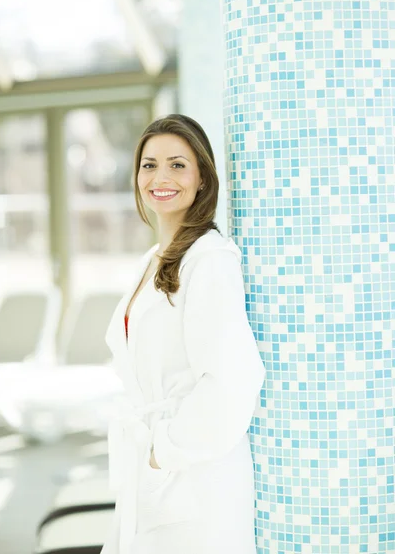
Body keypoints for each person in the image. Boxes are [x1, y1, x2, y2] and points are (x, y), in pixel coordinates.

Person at [100, 114, 266, 554]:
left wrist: (164, 451)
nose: (160, 177)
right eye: (149, 164)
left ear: (202, 179)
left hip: (196, 478)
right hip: (158, 473)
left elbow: (233, 381)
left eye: (177, 164)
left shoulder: (210, 259)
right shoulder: (156, 259)